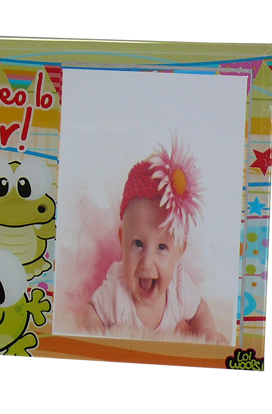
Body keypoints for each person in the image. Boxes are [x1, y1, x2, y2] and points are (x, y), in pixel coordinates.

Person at [82, 136, 228, 344]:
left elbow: (199, 309)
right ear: (122, 239)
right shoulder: (118, 291)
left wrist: (207, 330)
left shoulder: (179, 287)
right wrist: (98, 336)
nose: (147, 261)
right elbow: (91, 310)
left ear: (179, 250)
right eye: (138, 243)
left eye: (162, 247)